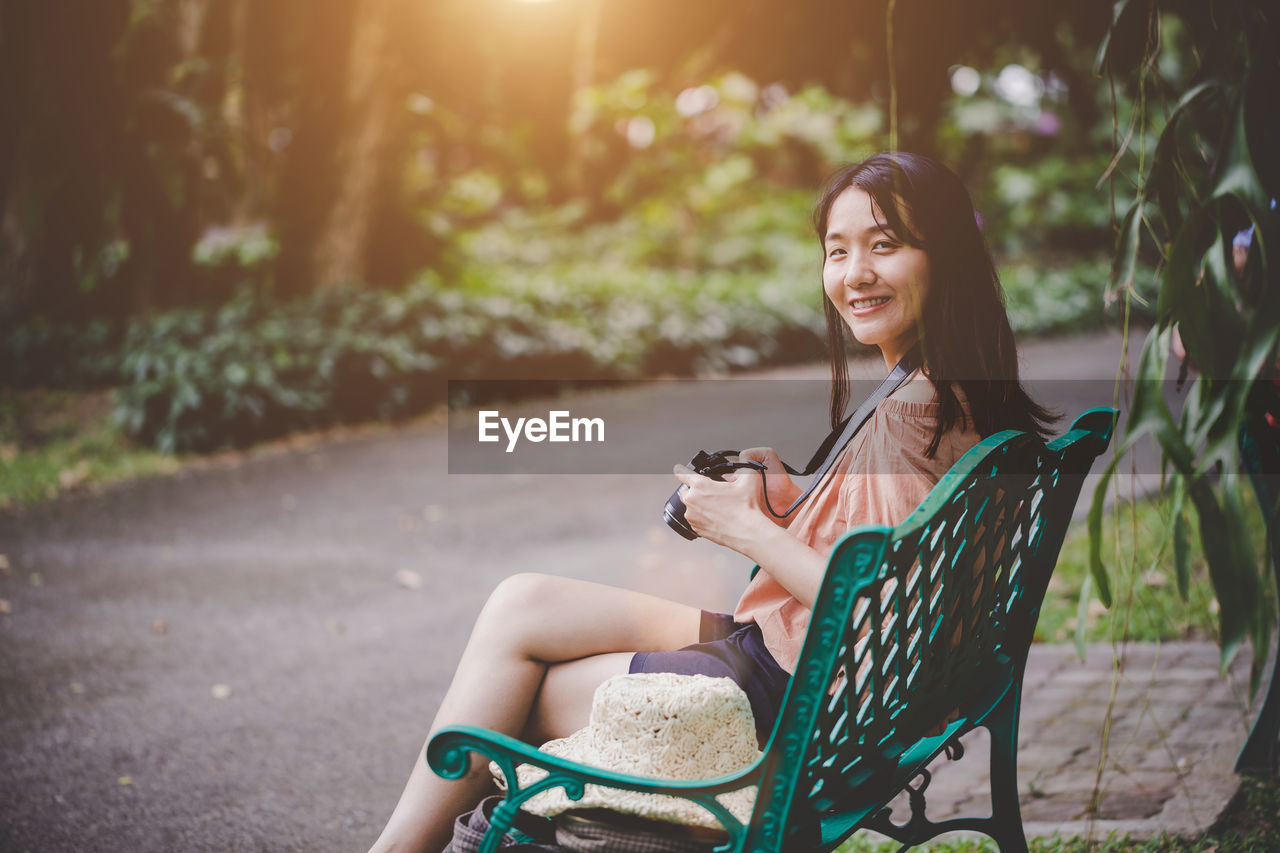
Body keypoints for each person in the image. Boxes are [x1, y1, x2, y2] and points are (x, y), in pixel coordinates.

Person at [367, 151, 1054, 853]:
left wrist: (749, 529)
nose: (856, 274)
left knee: (511, 702)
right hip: (808, 669)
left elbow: (877, 609)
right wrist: (795, 493)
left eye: (886, 245)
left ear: (944, 256)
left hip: (798, 701)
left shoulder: (918, 409)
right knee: (524, 601)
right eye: (837, 250)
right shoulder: (950, 389)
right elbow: (888, 545)